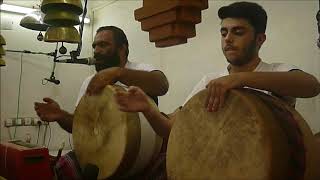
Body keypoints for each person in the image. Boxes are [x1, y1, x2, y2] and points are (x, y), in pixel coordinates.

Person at [114, 1, 320, 140]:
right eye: (224, 32)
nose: (228, 39)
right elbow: (173, 130)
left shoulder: (276, 71)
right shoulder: (211, 80)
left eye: (237, 32)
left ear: (260, 39)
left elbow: (311, 85)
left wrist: (239, 79)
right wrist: (148, 109)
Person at [34, 26, 169, 179]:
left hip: (143, 159)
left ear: (122, 49)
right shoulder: (90, 82)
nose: (97, 50)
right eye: (95, 46)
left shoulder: (140, 69)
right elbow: (83, 127)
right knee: (64, 166)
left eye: (103, 45)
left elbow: (162, 85)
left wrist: (118, 72)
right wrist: (60, 115)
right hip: (104, 160)